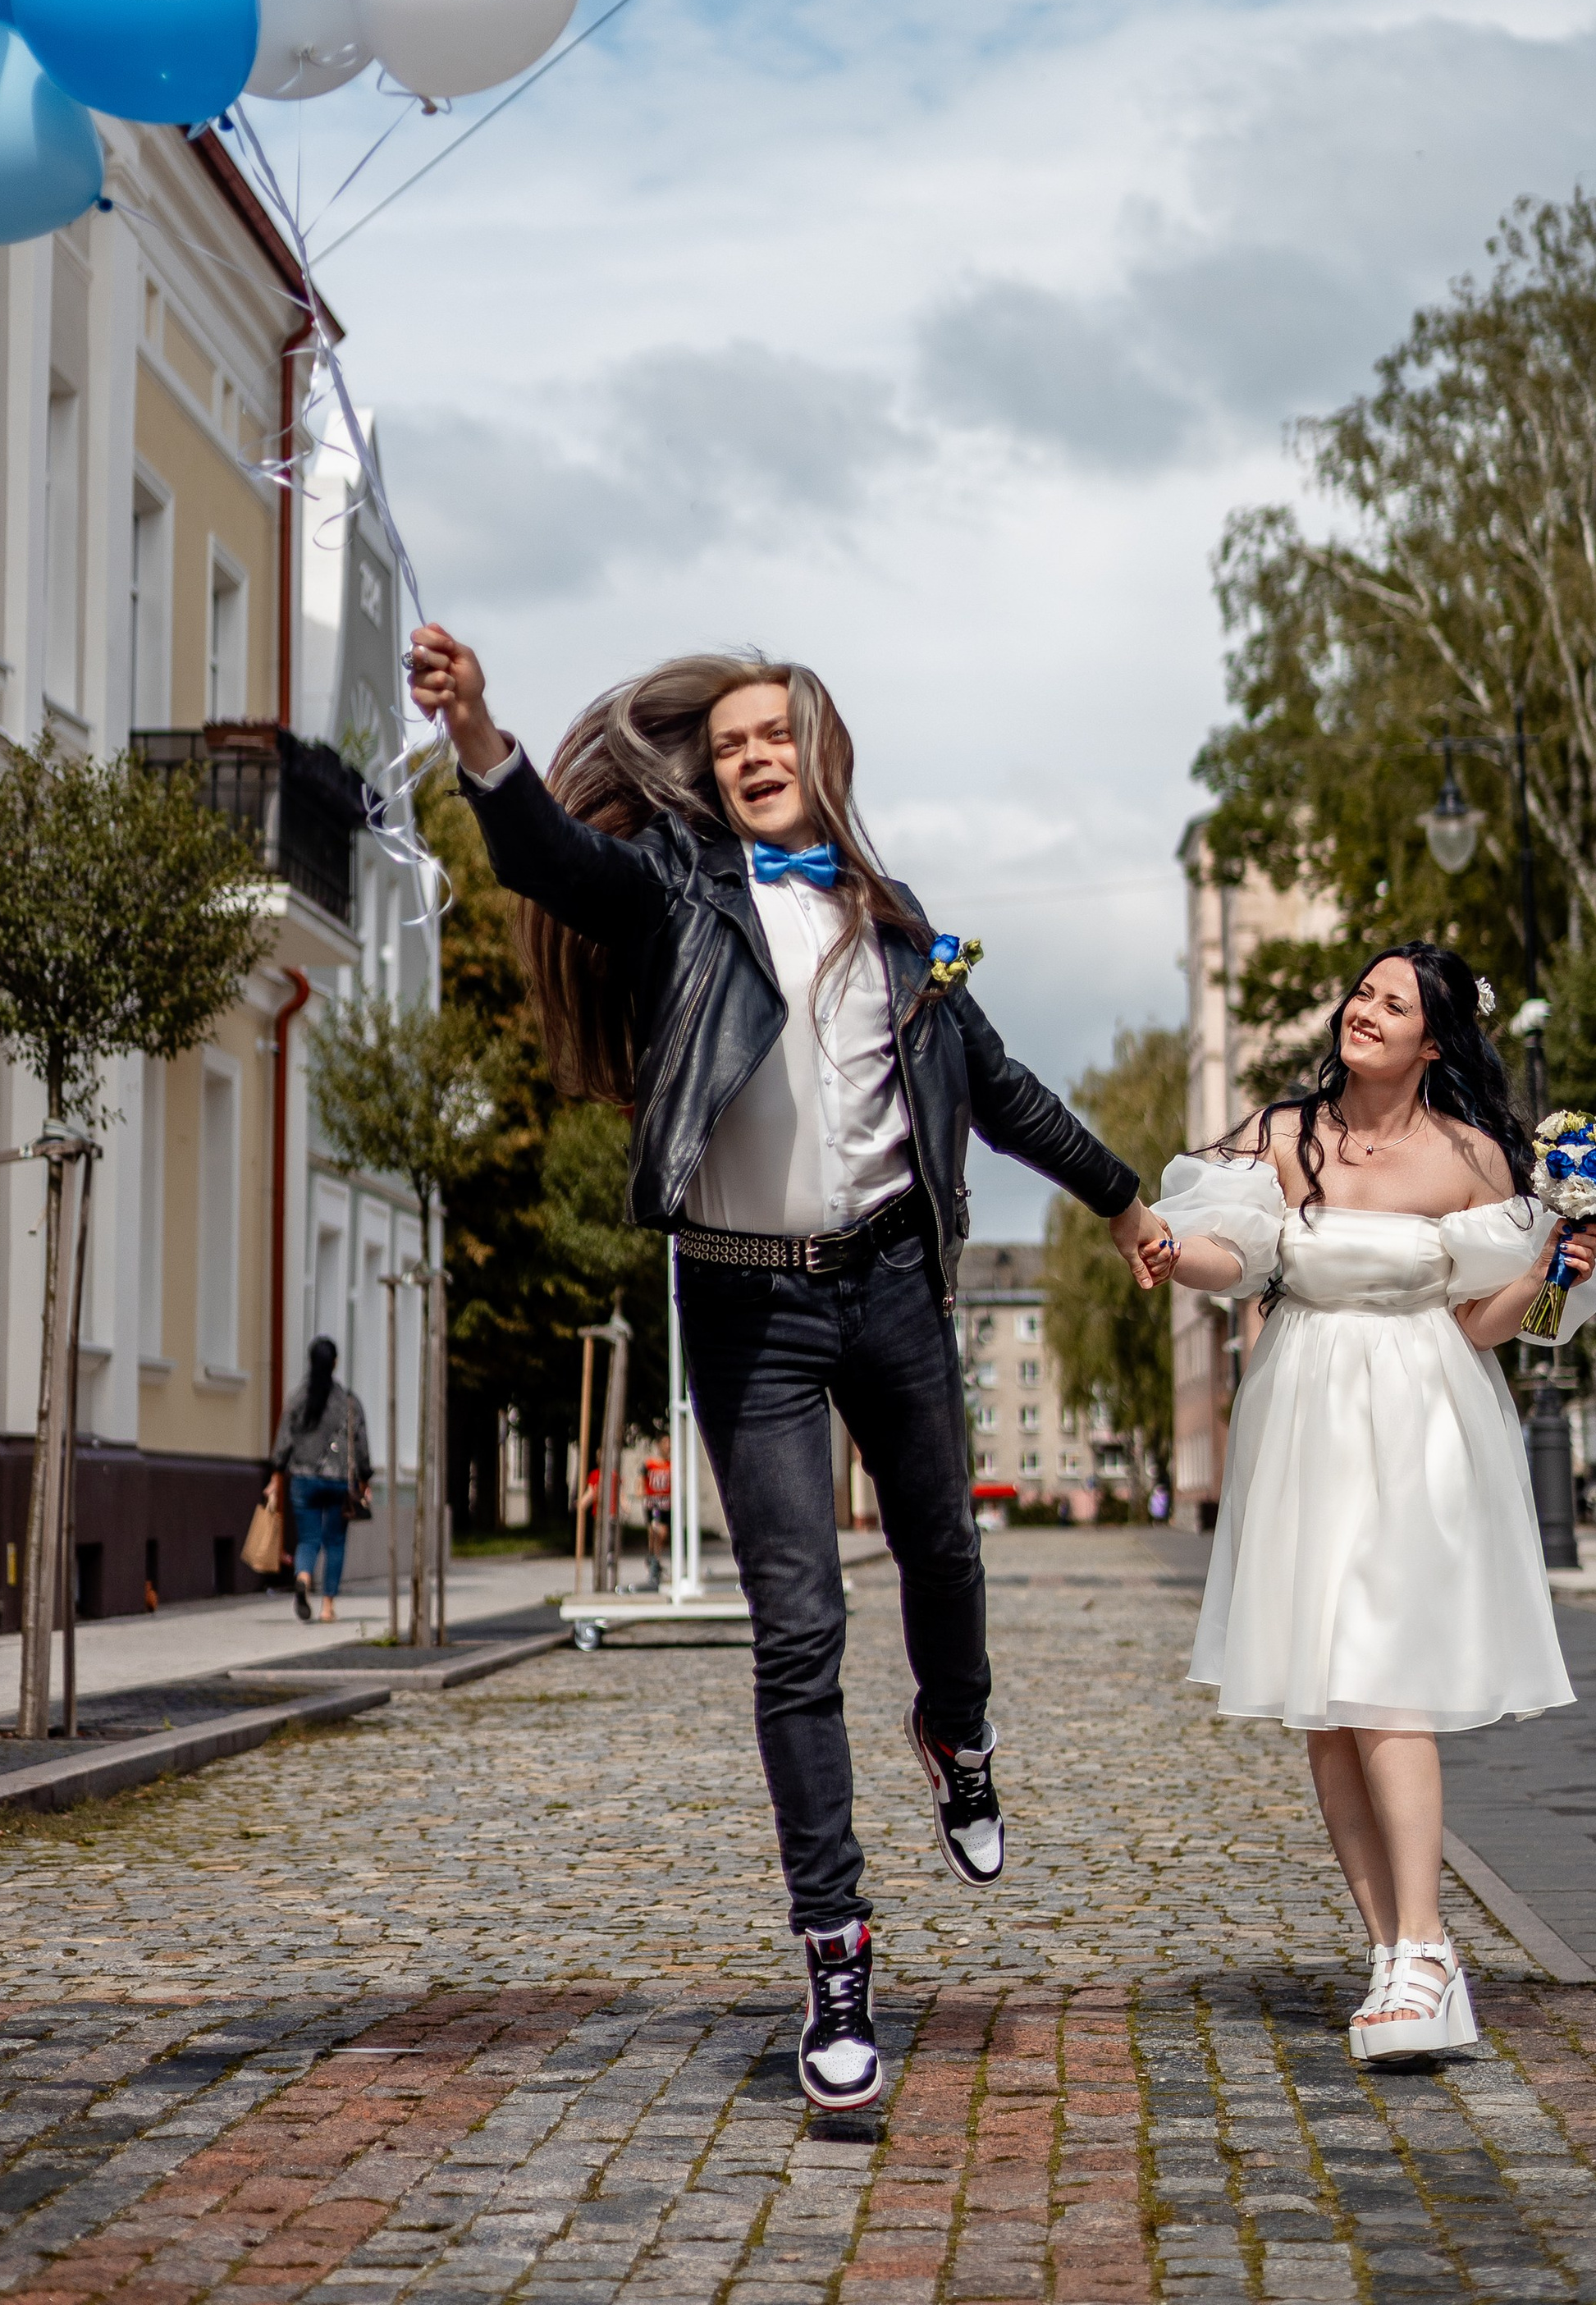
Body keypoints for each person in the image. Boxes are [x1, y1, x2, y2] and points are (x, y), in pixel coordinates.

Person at [406, 628, 1168, 2111]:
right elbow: (556, 862)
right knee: (798, 1634)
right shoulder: (684, 896)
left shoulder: (896, 925)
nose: (752, 755)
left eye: (778, 735)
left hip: (890, 1285)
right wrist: (482, 735)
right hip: (748, 1306)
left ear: (826, 759)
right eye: (733, 741)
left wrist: (1124, 1196)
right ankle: (836, 1951)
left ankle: (957, 1723)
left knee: (946, 1551)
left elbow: (997, 1089)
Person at [1141, 943, 1596, 2065]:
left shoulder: (1474, 1156)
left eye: (1393, 1003)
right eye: (1362, 992)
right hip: (1301, 1423)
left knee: (1385, 1681)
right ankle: (1395, 1954)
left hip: (1417, 1423)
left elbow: (1480, 1320)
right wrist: (1167, 1250)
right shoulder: (1283, 1134)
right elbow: (1231, 1254)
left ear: (1433, 1040)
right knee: (1328, 1701)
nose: (1366, 1011)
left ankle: (1430, 1949)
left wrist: (1556, 1272)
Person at [265, 1335, 373, 1625]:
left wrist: (277, 1475)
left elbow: (283, 1441)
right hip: (339, 1482)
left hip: (303, 1479)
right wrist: (364, 1479)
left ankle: (303, 1577)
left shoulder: (297, 1398)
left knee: (309, 1539)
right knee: (335, 1542)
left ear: (310, 1362)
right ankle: (327, 1606)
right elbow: (360, 1443)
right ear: (335, 1363)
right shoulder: (348, 1401)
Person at [641, 1442, 671, 1592]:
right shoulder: (650, 1464)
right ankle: (653, 1559)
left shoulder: (671, 1464)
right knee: (653, 1531)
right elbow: (640, 1479)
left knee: (664, 1534)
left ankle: (656, 1559)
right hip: (653, 1503)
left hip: (665, 1503)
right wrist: (641, 1491)